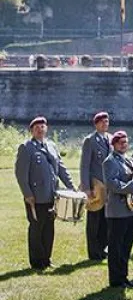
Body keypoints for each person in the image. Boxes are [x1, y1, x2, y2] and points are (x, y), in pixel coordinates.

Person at [15, 116, 75, 271]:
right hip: (35, 196)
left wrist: (71, 186)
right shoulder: (26, 147)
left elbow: (61, 168)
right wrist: (27, 193)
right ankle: (36, 261)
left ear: (46, 128)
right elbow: (21, 174)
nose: (40, 129)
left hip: (52, 195)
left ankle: (46, 259)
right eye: (36, 128)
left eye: (42, 127)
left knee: (49, 228)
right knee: (36, 228)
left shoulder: (52, 145)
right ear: (32, 131)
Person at [103, 131, 133, 288]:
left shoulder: (129, 160)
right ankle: (115, 279)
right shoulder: (110, 161)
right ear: (114, 144)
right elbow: (112, 184)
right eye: (120, 142)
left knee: (126, 246)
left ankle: (123, 277)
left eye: (126, 142)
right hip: (118, 211)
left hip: (130, 209)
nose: (124, 145)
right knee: (116, 247)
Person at [80, 111, 111, 261]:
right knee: (94, 220)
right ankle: (93, 251)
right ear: (96, 124)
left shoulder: (111, 139)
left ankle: (102, 248)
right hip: (95, 186)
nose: (105, 124)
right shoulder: (90, 140)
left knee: (106, 220)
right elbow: (84, 165)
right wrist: (86, 187)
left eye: (107, 121)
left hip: (108, 187)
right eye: (102, 122)